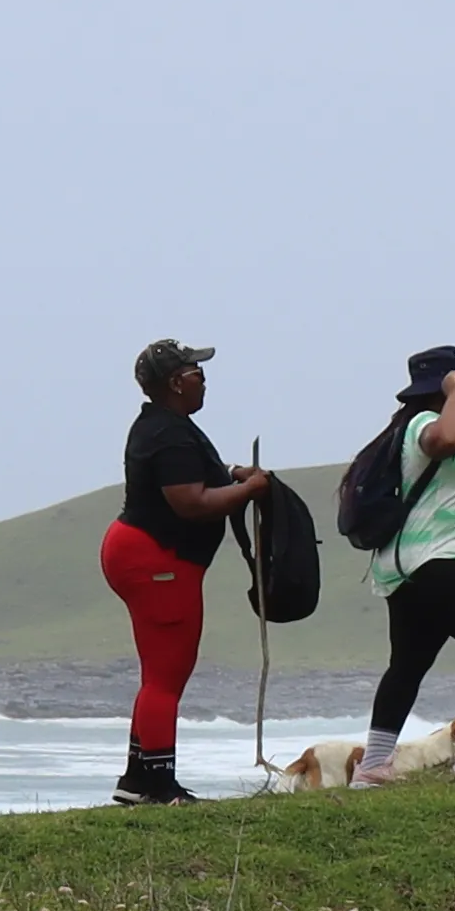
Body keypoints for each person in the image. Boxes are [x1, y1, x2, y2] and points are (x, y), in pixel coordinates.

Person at [106, 339, 291, 806]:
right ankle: (160, 785)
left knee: (158, 674)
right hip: (158, 559)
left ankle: (138, 778)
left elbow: (199, 476)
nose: (202, 377)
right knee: (166, 676)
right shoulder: (168, 432)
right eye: (194, 371)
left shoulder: (166, 426)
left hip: (145, 554)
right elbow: (191, 502)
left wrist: (232, 474)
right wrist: (250, 489)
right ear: (174, 382)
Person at [349, 347, 455, 788]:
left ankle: (373, 766)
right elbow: (444, 442)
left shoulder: (410, 426)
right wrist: (452, 396)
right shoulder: (426, 425)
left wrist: (453, 400)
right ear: (450, 384)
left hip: (405, 565)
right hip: (437, 556)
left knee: (408, 663)